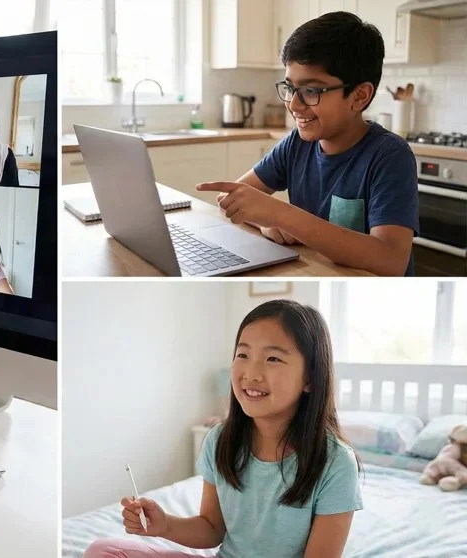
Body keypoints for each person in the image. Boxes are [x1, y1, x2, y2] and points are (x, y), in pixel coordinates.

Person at [84, 300, 362, 558]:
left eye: (273, 359)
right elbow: (212, 528)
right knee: (104, 551)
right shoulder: (220, 440)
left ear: (310, 379)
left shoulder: (336, 462)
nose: (250, 373)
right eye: (243, 354)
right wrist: (164, 525)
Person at [195, 12, 418, 277]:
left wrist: (281, 214)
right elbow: (230, 199)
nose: (294, 104)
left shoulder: (389, 156)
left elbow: (391, 260)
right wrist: (266, 223)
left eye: (311, 91)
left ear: (359, 96)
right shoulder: (295, 145)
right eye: (290, 88)